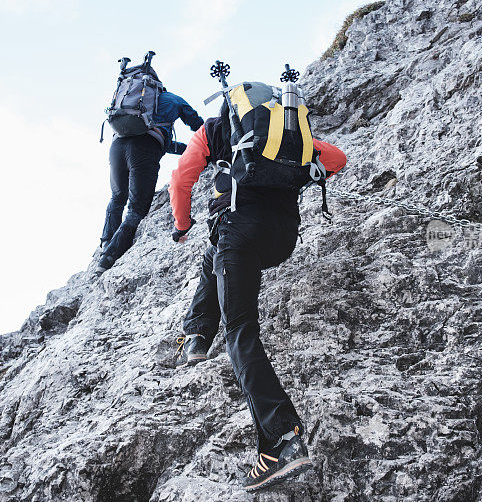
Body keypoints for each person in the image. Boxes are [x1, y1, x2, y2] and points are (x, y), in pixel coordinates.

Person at [169, 104, 346, 491]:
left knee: (241, 332)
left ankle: (282, 440)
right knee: (213, 255)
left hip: (241, 238)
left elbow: (181, 180)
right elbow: (337, 159)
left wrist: (182, 225)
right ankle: (197, 334)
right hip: (281, 239)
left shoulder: (214, 131)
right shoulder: (288, 135)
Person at [97, 80, 204, 274]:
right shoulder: (174, 99)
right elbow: (199, 126)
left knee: (117, 197)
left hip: (117, 146)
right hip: (144, 149)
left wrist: (184, 149)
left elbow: (163, 143)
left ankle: (106, 241)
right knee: (137, 208)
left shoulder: (131, 107)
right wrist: (201, 148)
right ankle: (109, 257)